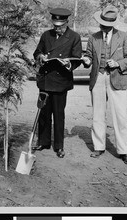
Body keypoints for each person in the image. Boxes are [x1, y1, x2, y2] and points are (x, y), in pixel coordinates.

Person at [82, 5, 127, 165]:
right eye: (102, 24)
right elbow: (89, 56)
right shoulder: (93, 37)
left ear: (113, 24)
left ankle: (123, 151)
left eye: (107, 25)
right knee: (98, 114)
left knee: (120, 116)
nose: (104, 27)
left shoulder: (124, 36)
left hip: (117, 78)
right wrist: (87, 60)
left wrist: (118, 63)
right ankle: (98, 147)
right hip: (98, 77)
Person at [32, 8, 82, 158]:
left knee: (59, 114)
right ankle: (43, 141)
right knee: (43, 113)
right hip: (46, 80)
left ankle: (59, 146)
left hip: (61, 81)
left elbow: (77, 58)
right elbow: (37, 52)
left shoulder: (74, 37)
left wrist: (69, 64)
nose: (57, 28)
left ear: (67, 22)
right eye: (55, 25)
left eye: (60, 25)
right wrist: (40, 56)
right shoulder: (46, 35)